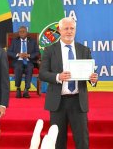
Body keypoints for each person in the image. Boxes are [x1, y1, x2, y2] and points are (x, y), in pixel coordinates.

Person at [39, 17, 98, 149]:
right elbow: (42, 73)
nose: (69, 31)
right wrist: (58, 76)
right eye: (66, 28)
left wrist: (93, 79)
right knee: (58, 141)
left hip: (78, 101)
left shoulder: (84, 50)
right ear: (59, 30)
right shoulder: (49, 50)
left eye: (72, 28)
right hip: (57, 102)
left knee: (82, 140)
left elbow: (90, 74)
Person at [7, 26, 39, 98]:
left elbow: (37, 52)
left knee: (30, 67)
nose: (21, 33)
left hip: (29, 60)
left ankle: (26, 90)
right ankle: (18, 88)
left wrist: (29, 55)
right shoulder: (15, 41)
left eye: (23, 31)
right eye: (20, 32)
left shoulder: (32, 41)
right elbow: (9, 52)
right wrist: (18, 54)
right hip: (18, 60)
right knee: (18, 67)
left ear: (27, 33)